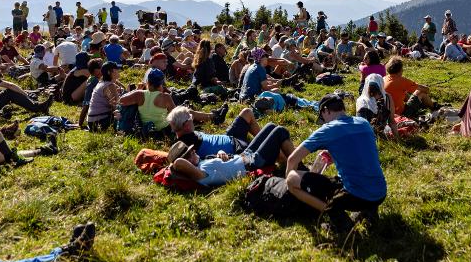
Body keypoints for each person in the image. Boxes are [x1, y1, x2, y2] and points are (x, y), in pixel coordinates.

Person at [285, 93, 387, 236]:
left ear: (326, 110)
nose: (324, 122)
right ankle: (369, 210)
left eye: (323, 117)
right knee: (347, 179)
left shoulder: (328, 129)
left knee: (292, 179)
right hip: (380, 193)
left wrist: (289, 189)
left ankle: (336, 216)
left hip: (356, 196)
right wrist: (334, 154)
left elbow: (292, 159)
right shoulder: (363, 123)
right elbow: (359, 150)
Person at [168, 121, 296, 188]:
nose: (194, 151)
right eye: (190, 153)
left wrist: (220, 152)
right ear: (187, 162)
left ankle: (289, 163)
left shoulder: (202, 162)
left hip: (245, 154)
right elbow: (179, 163)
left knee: (270, 126)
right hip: (252, 163)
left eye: (192, 149)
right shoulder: (200, 175)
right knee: (280, 131)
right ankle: (299, 168)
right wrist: (174, 163)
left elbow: (216, 159)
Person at [167, 105, 260, 158]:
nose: (193, 118)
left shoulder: (185, 133)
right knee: (270, 134)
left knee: (247, 112)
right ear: (186, 125)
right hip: (237, 148)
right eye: (190, 117)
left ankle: (260, 138)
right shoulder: (188, 147)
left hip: (229, 137)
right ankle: (261, 140)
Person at [355, 73, 398, 138]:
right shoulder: (388, 97)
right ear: (381, 84)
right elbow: (391, 121)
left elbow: (360, 125)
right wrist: (397, 138)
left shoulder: (361, 100)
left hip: (365, 137)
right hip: (382, 135)